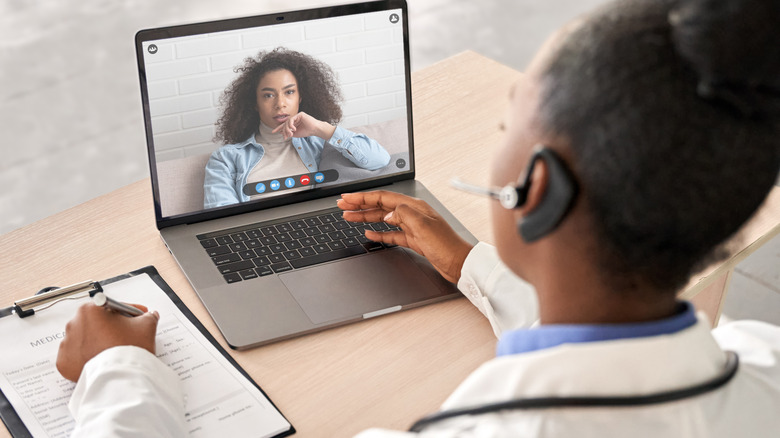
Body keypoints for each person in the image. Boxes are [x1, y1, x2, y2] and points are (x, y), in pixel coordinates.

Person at [57, 0, 780, 436]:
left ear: (536, 193)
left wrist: (118, 372)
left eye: (506, 129)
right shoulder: (763, 361)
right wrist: (470, 262)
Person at [203, 48, 391, 209]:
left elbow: (379, 160)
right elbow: (221, 220)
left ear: (301, 97)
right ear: (254, 103)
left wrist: (322, 128)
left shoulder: (320, 142)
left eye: (289, 92)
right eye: (268, 95)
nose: (280, 104)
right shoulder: (226, 159)